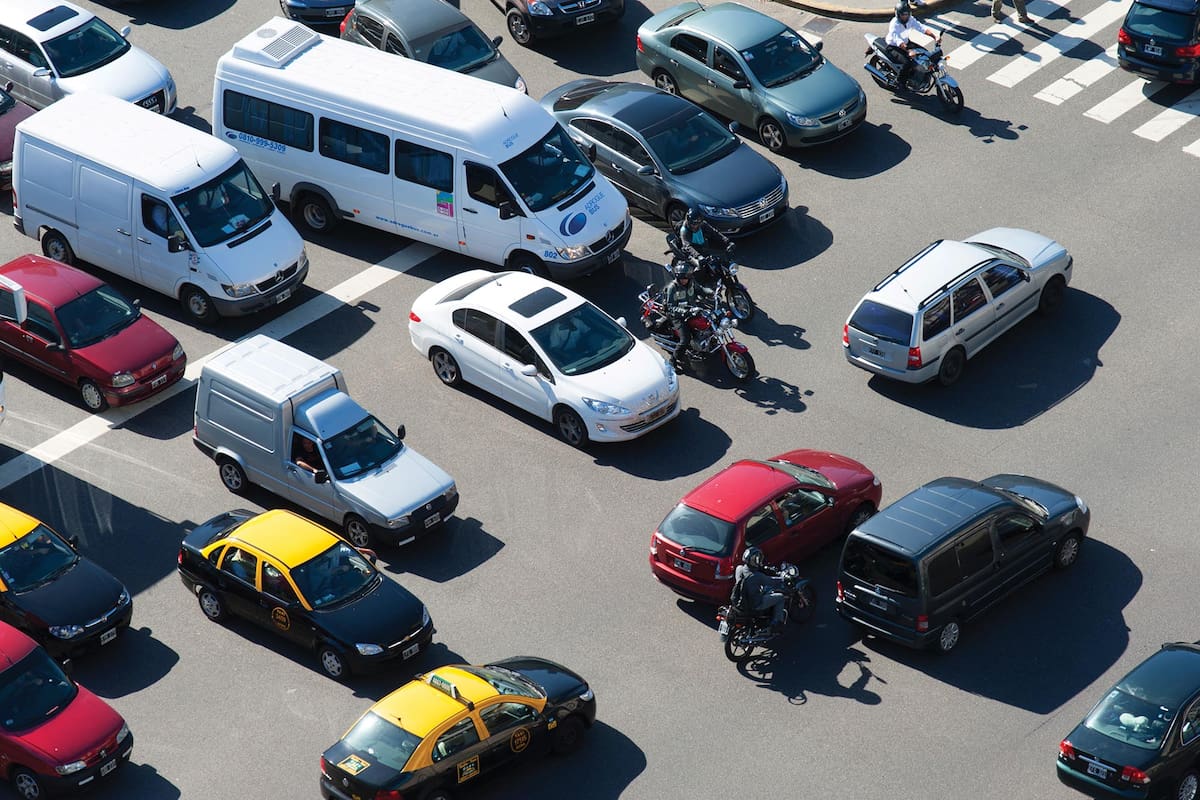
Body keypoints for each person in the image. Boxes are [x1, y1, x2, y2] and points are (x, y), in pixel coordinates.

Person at [662, 261, 713, 372]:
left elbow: (701, 290)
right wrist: (685, 312)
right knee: (685, 338)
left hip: (692, 310)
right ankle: (673, 360)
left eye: (686, 278)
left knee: (710, 321)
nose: (684, 280)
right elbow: (671, 307)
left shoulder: (691, 282)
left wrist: (711, 292)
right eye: (681, 278)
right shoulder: (672, 288)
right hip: (677, 316)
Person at [732, 546, 788, 634]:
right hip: (755, 603)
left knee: (763, 590)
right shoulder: (756, 576)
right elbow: (771, 581)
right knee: (780, 597)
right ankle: (776, 623)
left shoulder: (739, 569)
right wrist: (783, 578)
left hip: (740, 600)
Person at [886, 1, 939, 87]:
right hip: (893, 46)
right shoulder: (894, 24)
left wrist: (934, 36)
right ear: (898, 15)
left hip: (906, 42)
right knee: (907, 63)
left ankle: (918, 76)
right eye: (903, 15)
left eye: (907, 15)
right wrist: (909, 51)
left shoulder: (910, 19)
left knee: (925, 53)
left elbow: (921, 27)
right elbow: (898, 40)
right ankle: (899, 82)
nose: (905, 17)